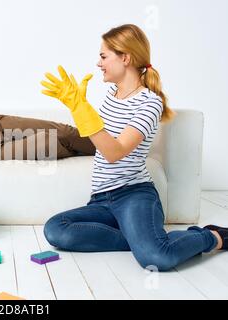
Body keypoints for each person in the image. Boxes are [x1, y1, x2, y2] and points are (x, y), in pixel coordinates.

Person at [42, 24, 227, 271]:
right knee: (56, 229)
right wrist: (80, 108)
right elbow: (100, 140)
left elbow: (115, 152)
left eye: (104, 56)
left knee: (156, 259)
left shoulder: (150, 103)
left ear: (125, 58)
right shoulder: (112, 94)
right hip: (100, 200)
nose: (98, 63)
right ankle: (142, 241)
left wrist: (81, 109)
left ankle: (211, 236)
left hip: (134, 196)